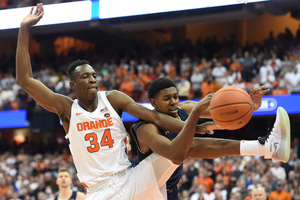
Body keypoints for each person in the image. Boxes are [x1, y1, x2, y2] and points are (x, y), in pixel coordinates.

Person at [16, 4, 217, 199]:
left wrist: (190, 127)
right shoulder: (67, 108)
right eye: (85, 76)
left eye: (94, 75)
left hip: (128, 178)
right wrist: (24, 28)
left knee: (178, 150)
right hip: (98, 190)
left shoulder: (112, 98)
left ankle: (247, 147)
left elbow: (153, 116)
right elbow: (24, 80)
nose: (92, 78)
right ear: (73, 84)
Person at [131, 77, 291, 200]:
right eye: (167, 99)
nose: (173, 102)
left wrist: (250, 106)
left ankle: (266, 148)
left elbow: (221, 111)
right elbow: (175, 153)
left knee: (189, 143)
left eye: (175, 97)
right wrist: (196, 114)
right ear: (154, 102)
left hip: (169, 188)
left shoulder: (181, 110)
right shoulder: (146, 128)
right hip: (144, 188)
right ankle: (264, 147)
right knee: (187, 144)